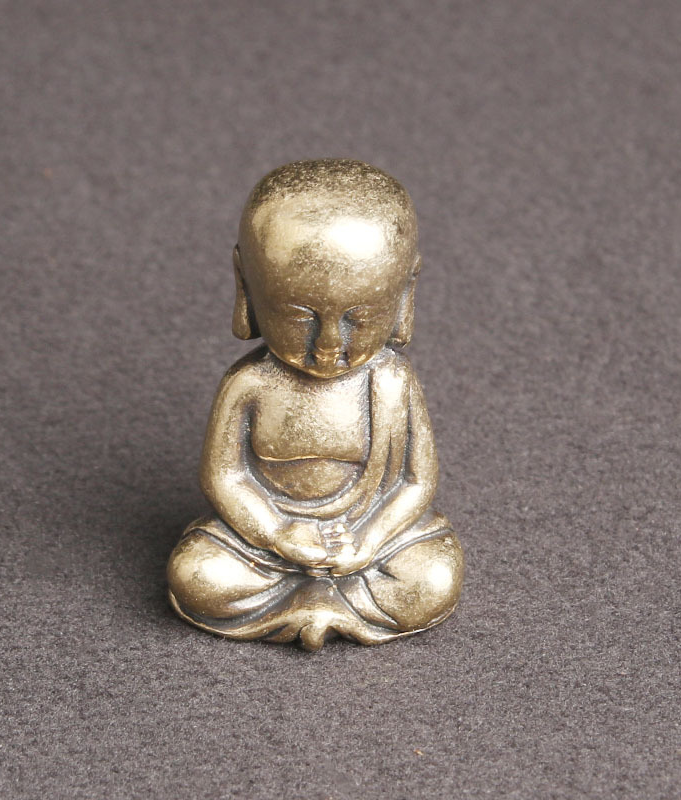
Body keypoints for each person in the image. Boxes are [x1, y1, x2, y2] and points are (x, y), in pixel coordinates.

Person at [167, 159, 463, 650]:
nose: (328, 344)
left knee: (433, 576)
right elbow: (224, 477)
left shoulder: (392, 381)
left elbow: (416, 482)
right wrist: (277, 534)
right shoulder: (249, 384)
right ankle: (311, 601)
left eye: (360, 318)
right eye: (299, 317)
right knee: (198, 574)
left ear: (404, 293)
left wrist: (367, 541)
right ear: (247, 287)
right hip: (263, 550)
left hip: (368, 542)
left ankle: (321, 602)